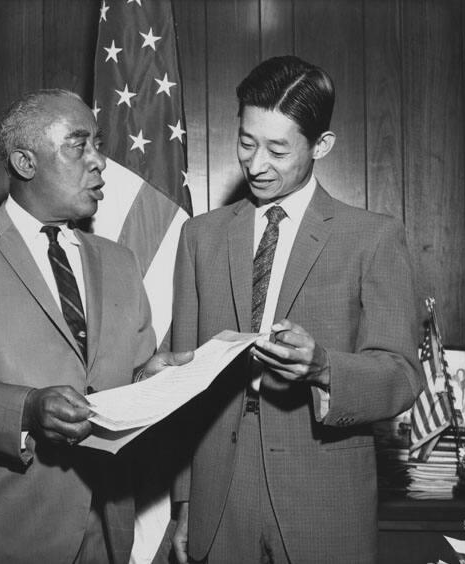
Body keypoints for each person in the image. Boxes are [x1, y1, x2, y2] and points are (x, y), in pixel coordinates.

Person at [0, 88, 188, 564]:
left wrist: (150, 378)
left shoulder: (120, 261)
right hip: (4, 531)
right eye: (79, 145)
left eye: (97, 143)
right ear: (24, 162)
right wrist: (28, 408)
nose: (99, 161)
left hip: (109, 526)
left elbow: (126, 377)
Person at [170, 56, 424, 564]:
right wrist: (185, 503)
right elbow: (185, 386)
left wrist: (325, 366)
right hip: (219, 501)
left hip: (324, 500)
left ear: (321, 146)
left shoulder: (373, 238)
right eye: (246, 142)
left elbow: (402, 376)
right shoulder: (199, 237)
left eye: (278, 149)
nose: (256, 164)